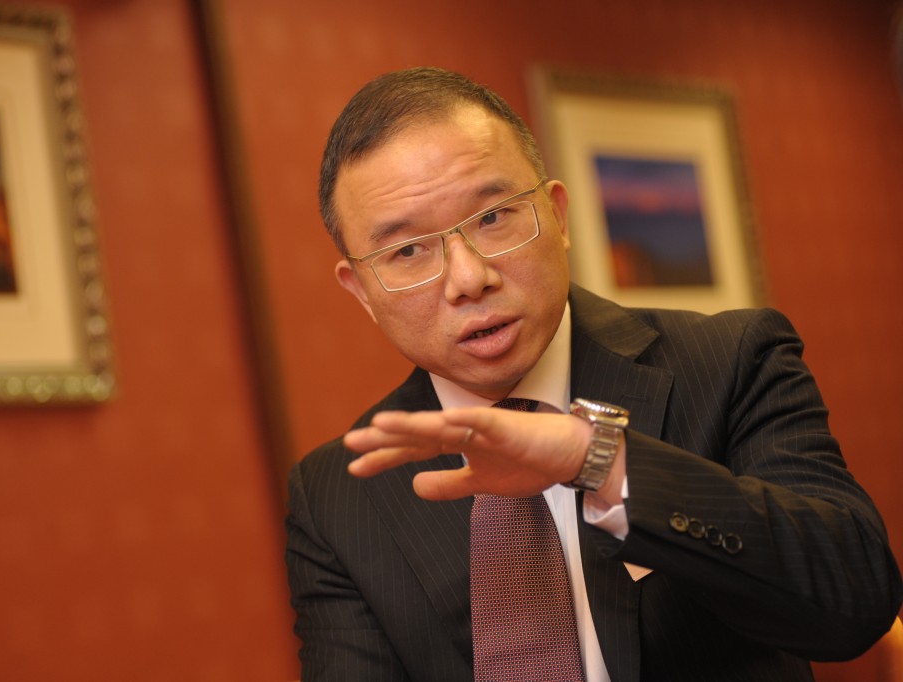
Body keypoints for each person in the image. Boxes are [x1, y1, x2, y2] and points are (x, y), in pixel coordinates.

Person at [284, 66, 902, 681]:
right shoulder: (337, 493)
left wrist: (602, 461)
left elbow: (855, 600)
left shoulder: (729, 362)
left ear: (558, 216)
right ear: (361, 291)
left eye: (493, 217)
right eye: (407, 251)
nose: (469, 279)